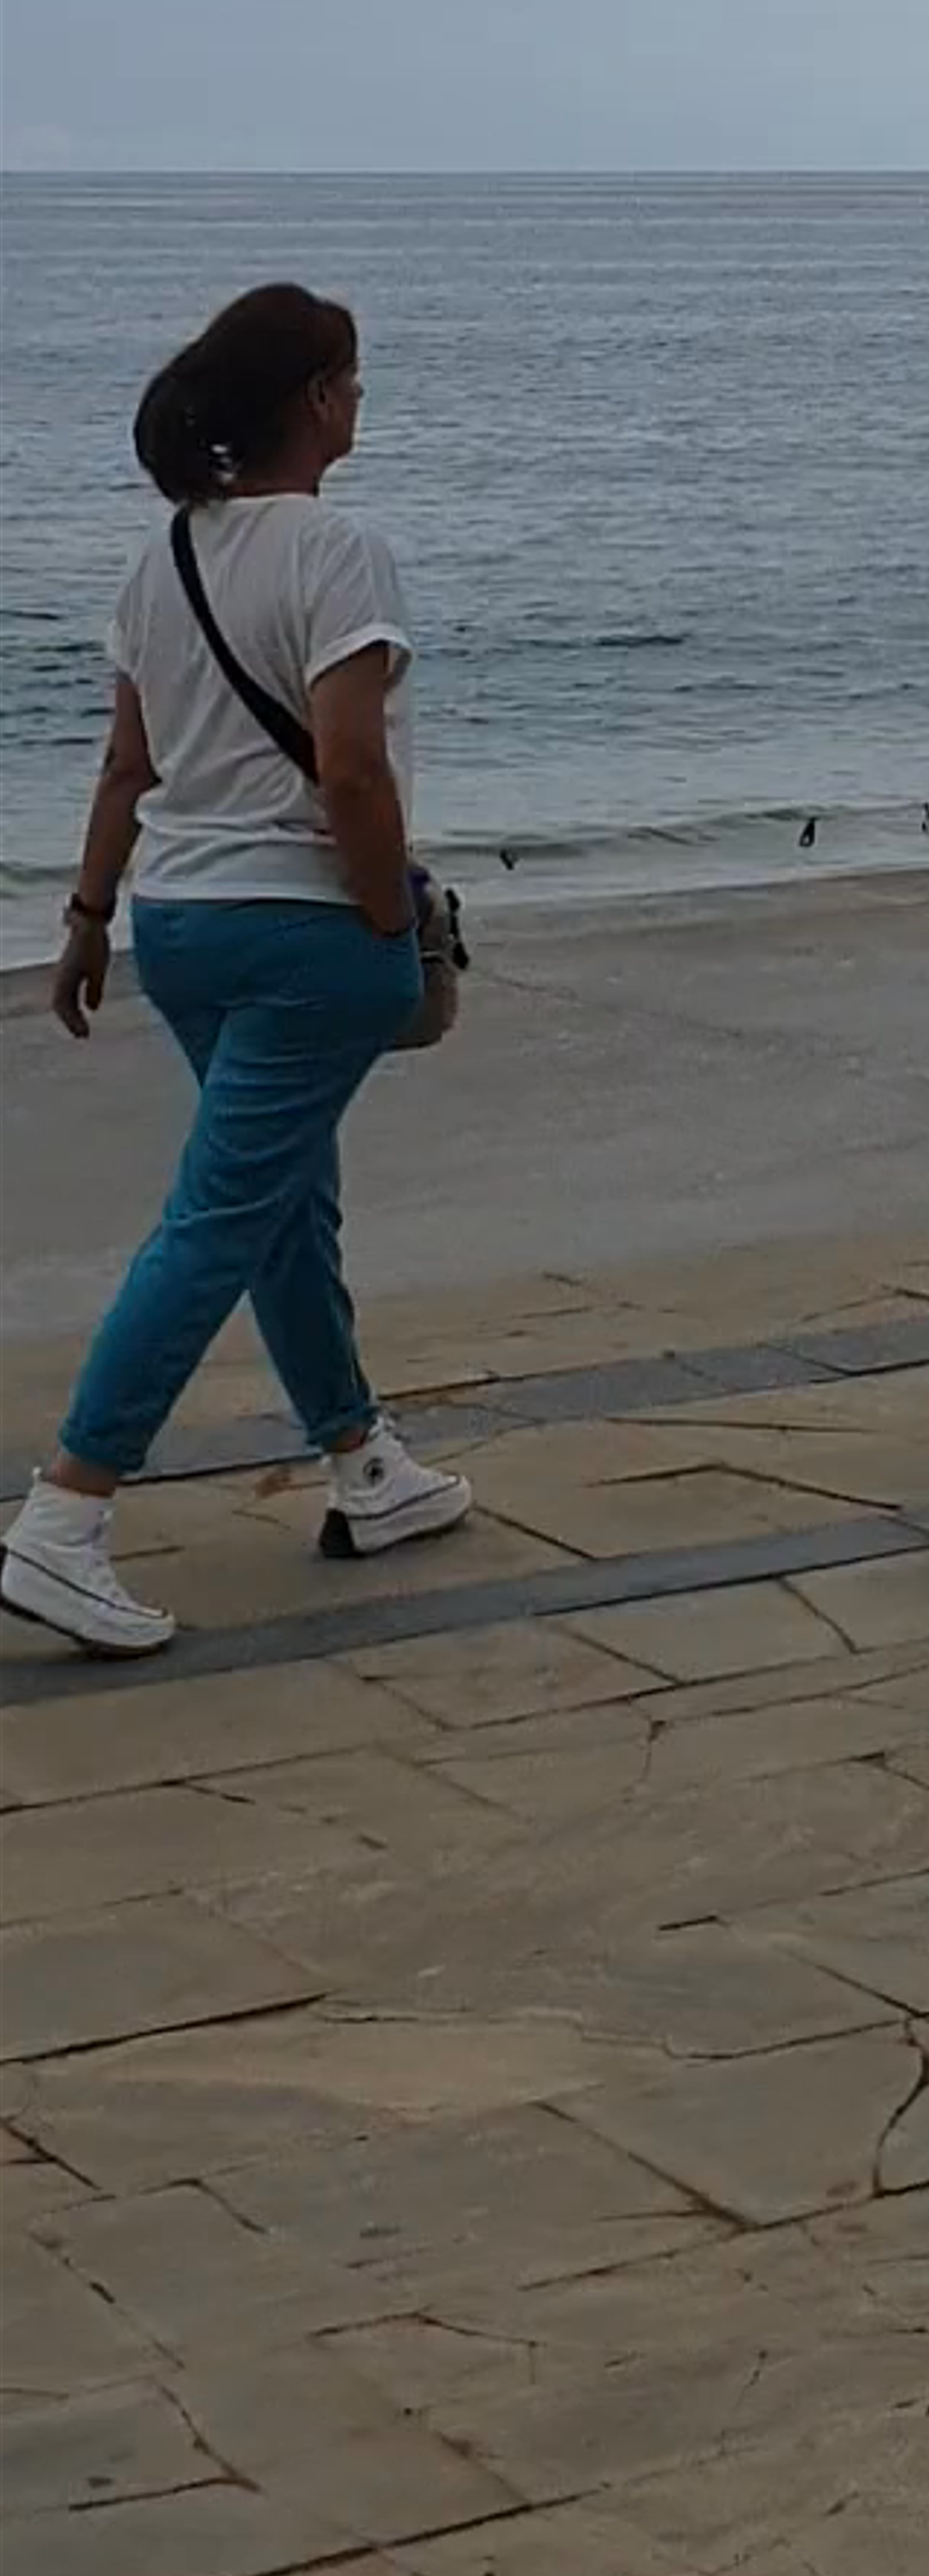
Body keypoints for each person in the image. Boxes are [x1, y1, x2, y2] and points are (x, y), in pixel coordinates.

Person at [1, 283, 470, 1662]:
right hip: (300, 933)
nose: (362, 401)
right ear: (317, 397)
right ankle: (66, 1517)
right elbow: (350, 762)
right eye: (356, 379)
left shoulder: (165, 560)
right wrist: (385, 918)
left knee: (277, 1201)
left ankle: (362, 1462)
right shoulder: (338, 551)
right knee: (220, 1215)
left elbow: (130, 765)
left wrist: (88, 917)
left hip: (182, 926)